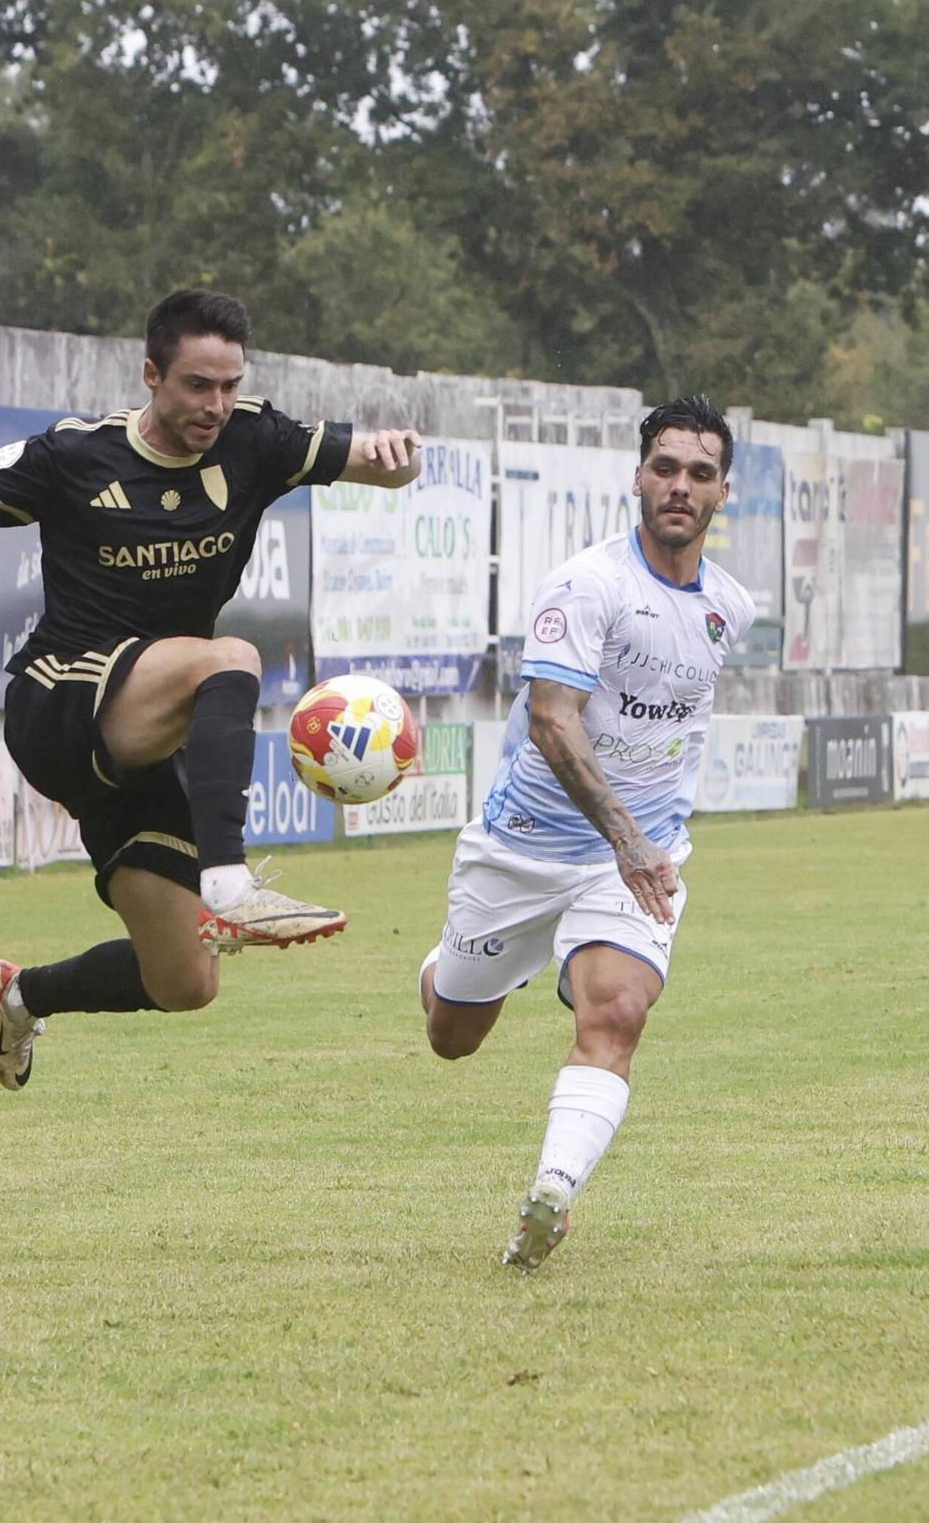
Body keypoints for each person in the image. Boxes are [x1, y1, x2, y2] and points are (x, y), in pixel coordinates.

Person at [0, 289, 421, 1091]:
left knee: (185, 982)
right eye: (197, 385)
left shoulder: (255, 438)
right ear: (152, 375)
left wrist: (401, 457)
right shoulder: (75, 454)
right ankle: (230, 883)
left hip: (146, 739)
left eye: (230, 385)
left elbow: (380, 463)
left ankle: (22, 996)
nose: (216, 405)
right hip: (60, 701)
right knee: (229, 656)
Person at [419, 395, 754, 1273]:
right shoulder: (587, 586)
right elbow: (552, 720)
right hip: (525, 848)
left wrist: (643, 843)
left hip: (637, 857)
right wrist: (624, 836)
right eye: (665, 468)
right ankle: (449, 965)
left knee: (619, 1008)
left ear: (723, 492)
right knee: (452, 1036)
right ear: (638, 478)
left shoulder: (730, 607)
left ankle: (552, 1193)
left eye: (701, 473)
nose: (680, 486)